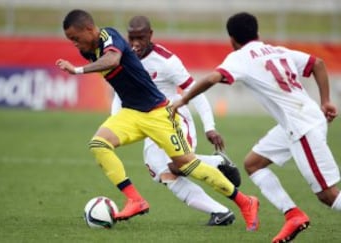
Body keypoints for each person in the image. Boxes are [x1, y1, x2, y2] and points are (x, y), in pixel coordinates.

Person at [55, 9, 259, 231]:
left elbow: (113, 60)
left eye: (75, 38)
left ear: (89, 29)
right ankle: (135, 200)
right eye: (70, 40)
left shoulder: (110, 38)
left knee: (186, 165)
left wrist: (77, 70)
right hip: (131, 113)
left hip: (158, 113)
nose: (74, 44)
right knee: (99, 144)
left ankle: (245, 201)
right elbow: (120, 85)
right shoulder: (89, 51)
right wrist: (115, 119)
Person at [171, 12, 341, 243]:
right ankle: (293, 215)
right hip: (300, 119)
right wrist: (326, 101)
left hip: (302, 126)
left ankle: (295, 215)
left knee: (327, 195)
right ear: (257, 32)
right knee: (253, 163)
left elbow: (211, 78)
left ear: (231, 39)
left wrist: (184, 99)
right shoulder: (277, 50)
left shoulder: (239, 57)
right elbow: (318, 64)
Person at [110, 15, 241, 226]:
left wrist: (210, 127)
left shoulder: (166, 61)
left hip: (175, 119)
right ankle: (220, 212)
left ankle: (218, 163)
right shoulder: (122, 58)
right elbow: (119, 93)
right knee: (161, 173)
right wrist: (115, 126)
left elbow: (195, 91)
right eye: (132, 38)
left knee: (177, 166)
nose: (135, 44)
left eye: (140, 38)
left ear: (150, 35)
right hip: (148, 125)